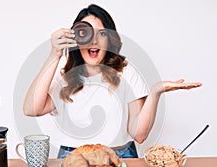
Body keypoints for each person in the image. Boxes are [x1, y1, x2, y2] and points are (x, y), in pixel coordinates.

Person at [23, 4, 202, 158]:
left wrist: (155, 93)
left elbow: (139, 135)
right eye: (86, 33)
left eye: (101, 33)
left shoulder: (126, 72)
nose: (93, 40)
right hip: (72, 157)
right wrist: (54, 54)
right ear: (77, 38)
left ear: (109, 40)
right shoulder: (64, 75)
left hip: (120, 156)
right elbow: (31, 109)